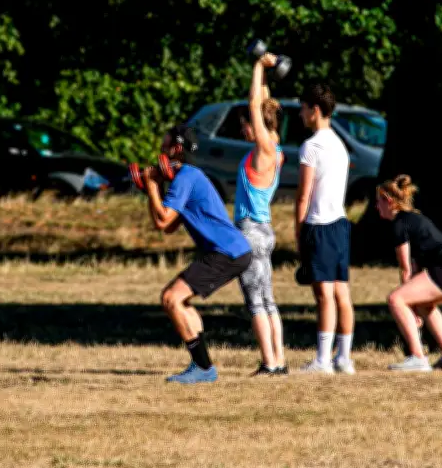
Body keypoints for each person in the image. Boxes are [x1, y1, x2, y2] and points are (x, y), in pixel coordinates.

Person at [143, 124, 252, 384]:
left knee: (171, 298)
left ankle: (203, 368)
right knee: (180, 301)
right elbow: (165, 226)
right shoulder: (188, 176)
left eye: (165, 143)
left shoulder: (186, 178)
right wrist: (154, 188)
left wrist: (150, 185)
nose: (161, 148)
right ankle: (202, 366)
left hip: (226, 251)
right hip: (229, 250)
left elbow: (164, 216)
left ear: (176, 149)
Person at [375, 174, 442, 372]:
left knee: (396, 299)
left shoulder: (398, 224)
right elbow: (417, 268)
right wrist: (414, 304)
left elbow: (406, 269)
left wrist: (408, 306)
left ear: (389, 202)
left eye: (378, 202)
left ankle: (418, 357)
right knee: (425, 304)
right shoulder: (413, 219)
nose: (376, 206)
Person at [233, 52, 287, 376]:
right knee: (268, 300)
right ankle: (278, 360)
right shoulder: (276, 145)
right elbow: (262, 104)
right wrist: (265, 74)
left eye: (247, 126)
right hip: (264, 230)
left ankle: (269, 363)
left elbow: (255, 106)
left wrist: (256, 65)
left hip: (251, 231)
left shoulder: (265, 150)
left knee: (256, 302)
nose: (244, 130)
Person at [295, 82, 355, 374]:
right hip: (340, 225)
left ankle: (322, 360)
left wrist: (298, 231)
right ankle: (343, 358)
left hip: (319, 225)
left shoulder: (312, 146)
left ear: (314, 110)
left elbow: (304, 194)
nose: (301, 114)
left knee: (324, 295)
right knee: (341, 293)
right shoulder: (340, 145)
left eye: (304, 109)